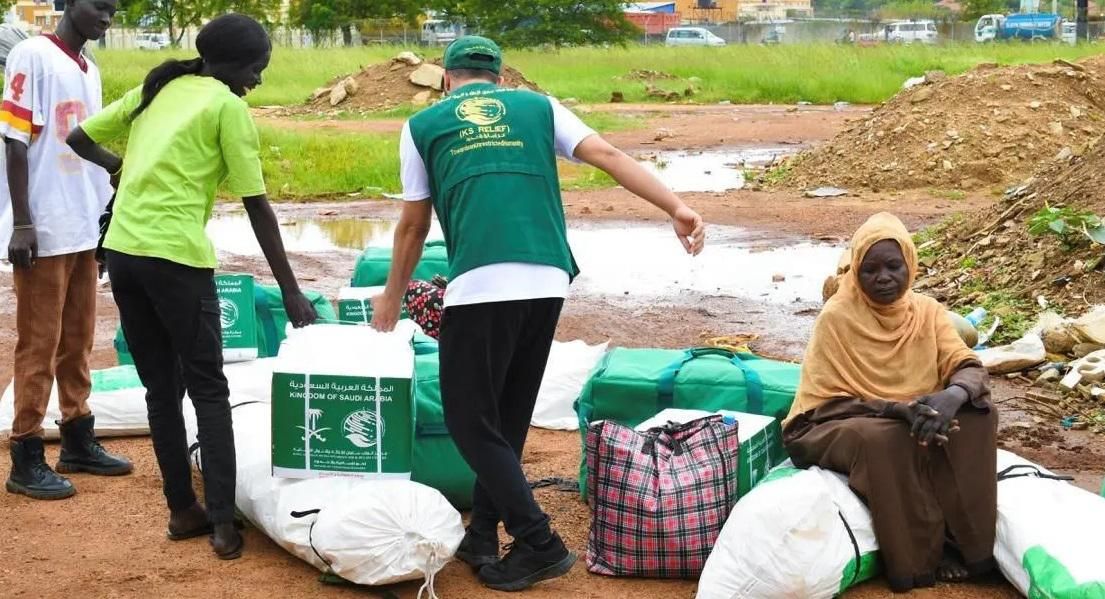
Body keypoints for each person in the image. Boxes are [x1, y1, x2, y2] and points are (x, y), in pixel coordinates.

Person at [371, 35, 705, 592]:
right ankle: (481, 536)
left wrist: (391, 296)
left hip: (481, 279)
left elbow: (413, 225)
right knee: (504, 417)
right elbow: (610, 156)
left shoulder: (423, 126)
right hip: (548, 275)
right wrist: (677, 206)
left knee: (469, 420)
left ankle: (539, 542)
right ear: (499, 78)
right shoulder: (540, 107)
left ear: (447, 78)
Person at [65, 14, 318, 559]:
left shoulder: (157, 87)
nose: (258, 79)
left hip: (125, 255)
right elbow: (258, 208)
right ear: (231, 63)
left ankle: (183, 511)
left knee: (162, 390)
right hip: (176, 259)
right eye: (258, 68)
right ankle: (224, 524)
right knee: (209, 390)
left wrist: (122, 170)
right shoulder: (228, 107)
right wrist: (292, 292)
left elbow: (79, 137)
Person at [784, 212, 997, 593]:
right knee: (884, 439)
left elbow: (967, 364)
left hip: (914, 411)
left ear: (910, 265)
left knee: (979, 415)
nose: (884, 278)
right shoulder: (837, 317)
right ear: (856, 274)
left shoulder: (928, 311)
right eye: (871, 270)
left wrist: (951, 396)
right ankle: (917, 560)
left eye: (893, 266)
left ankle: (966, 547)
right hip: (834, 419)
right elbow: (827, 400)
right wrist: (897, 409)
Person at [1, 0, 132, 501]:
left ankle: (77, 437)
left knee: (77, 337)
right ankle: (26, 452)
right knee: (39, 341)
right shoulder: (33, 54)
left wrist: (104, 222)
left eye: (114, 11)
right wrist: (24, 223)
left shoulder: (89, 68)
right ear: (70, 4)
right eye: (99, 6)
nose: (107, 17)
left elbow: (85, 143)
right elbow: (14, 140)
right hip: (46, 225)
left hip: (81, 222)